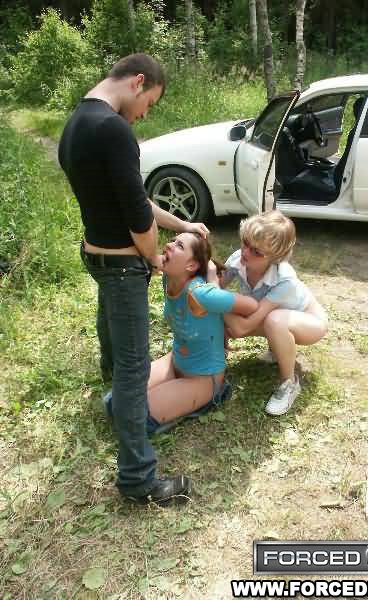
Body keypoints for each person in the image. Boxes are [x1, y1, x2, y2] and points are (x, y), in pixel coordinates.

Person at [58, 53, 208, 506]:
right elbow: (139, 219)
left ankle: (114, 402)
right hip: (122, 265)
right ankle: (138, 479)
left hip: (96, 254)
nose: (144, 114)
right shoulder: (114, 130)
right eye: (150, 103)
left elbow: (135, 199)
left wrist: (182, 225)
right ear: (138, 82)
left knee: (111, 338)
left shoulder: (77, 123)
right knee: (133, 368)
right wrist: (154, 258)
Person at [144, 232, 257, 430]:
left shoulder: (202, 294)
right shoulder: (169, 277)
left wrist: (214, 286)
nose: (169, 245)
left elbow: (251, 305)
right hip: (175, 360)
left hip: (202, 379)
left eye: (179, 246)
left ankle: (215, 394)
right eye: (172, 241)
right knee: (120, 397)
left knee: (136, 415)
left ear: (191, 265)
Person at [222, 210, 328, 416]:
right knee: (240, 312)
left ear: (275, 258)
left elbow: (242, 327)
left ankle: (289, 383)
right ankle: (219, 361)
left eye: (257, 252)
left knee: (273, 320)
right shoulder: (238, 259)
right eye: (245, 242)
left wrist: (215, 304)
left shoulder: (284, 279)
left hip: (311, 322)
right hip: (278, 316)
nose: (246, 252)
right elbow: (214, 286)